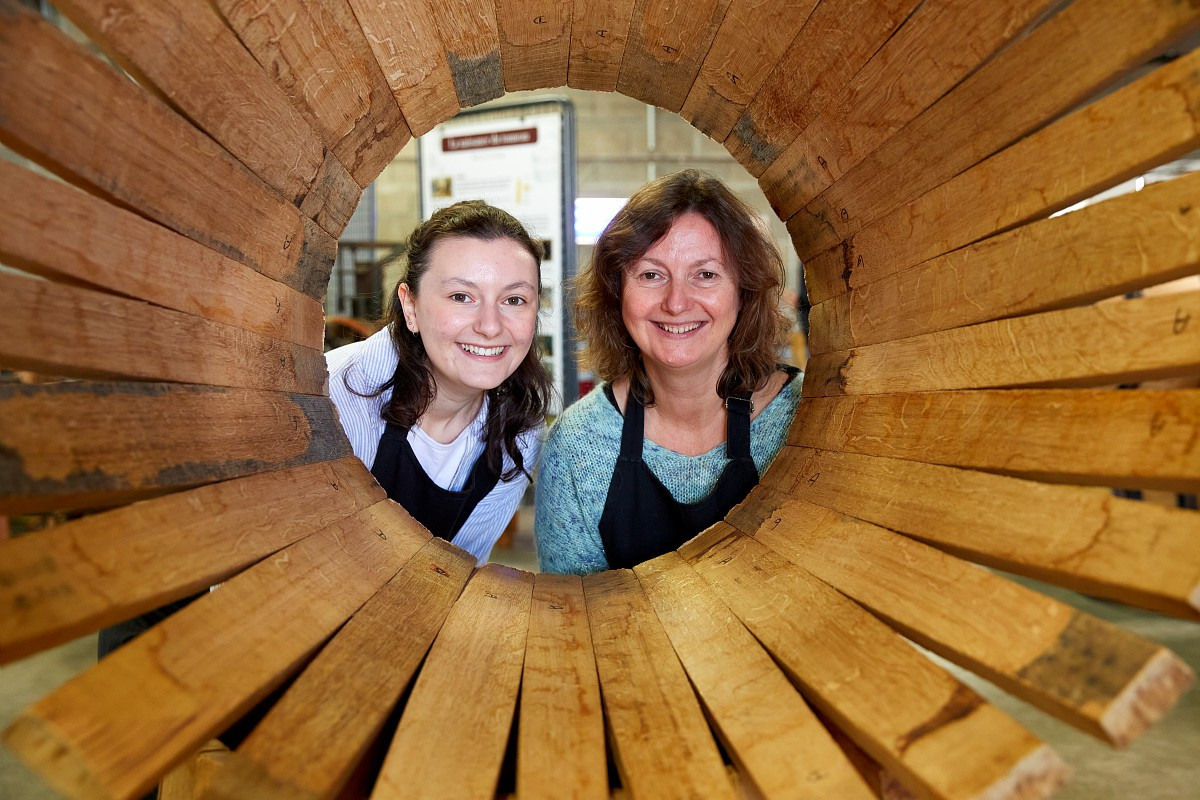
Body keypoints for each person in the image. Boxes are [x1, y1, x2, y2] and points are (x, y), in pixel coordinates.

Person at [536, 169, 801, 575]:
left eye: (706, 274)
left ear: (743, 291)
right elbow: (575, 624)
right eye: (651, 275)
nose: (677, 303)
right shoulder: (576, 447)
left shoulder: (807, 418)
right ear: (616, 292)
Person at [327, 201, 552, 565]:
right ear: (411, 307)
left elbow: (456, 573)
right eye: (461, 297)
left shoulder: (518, 434)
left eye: (514, 299)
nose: (490, 326)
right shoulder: (333, 397)